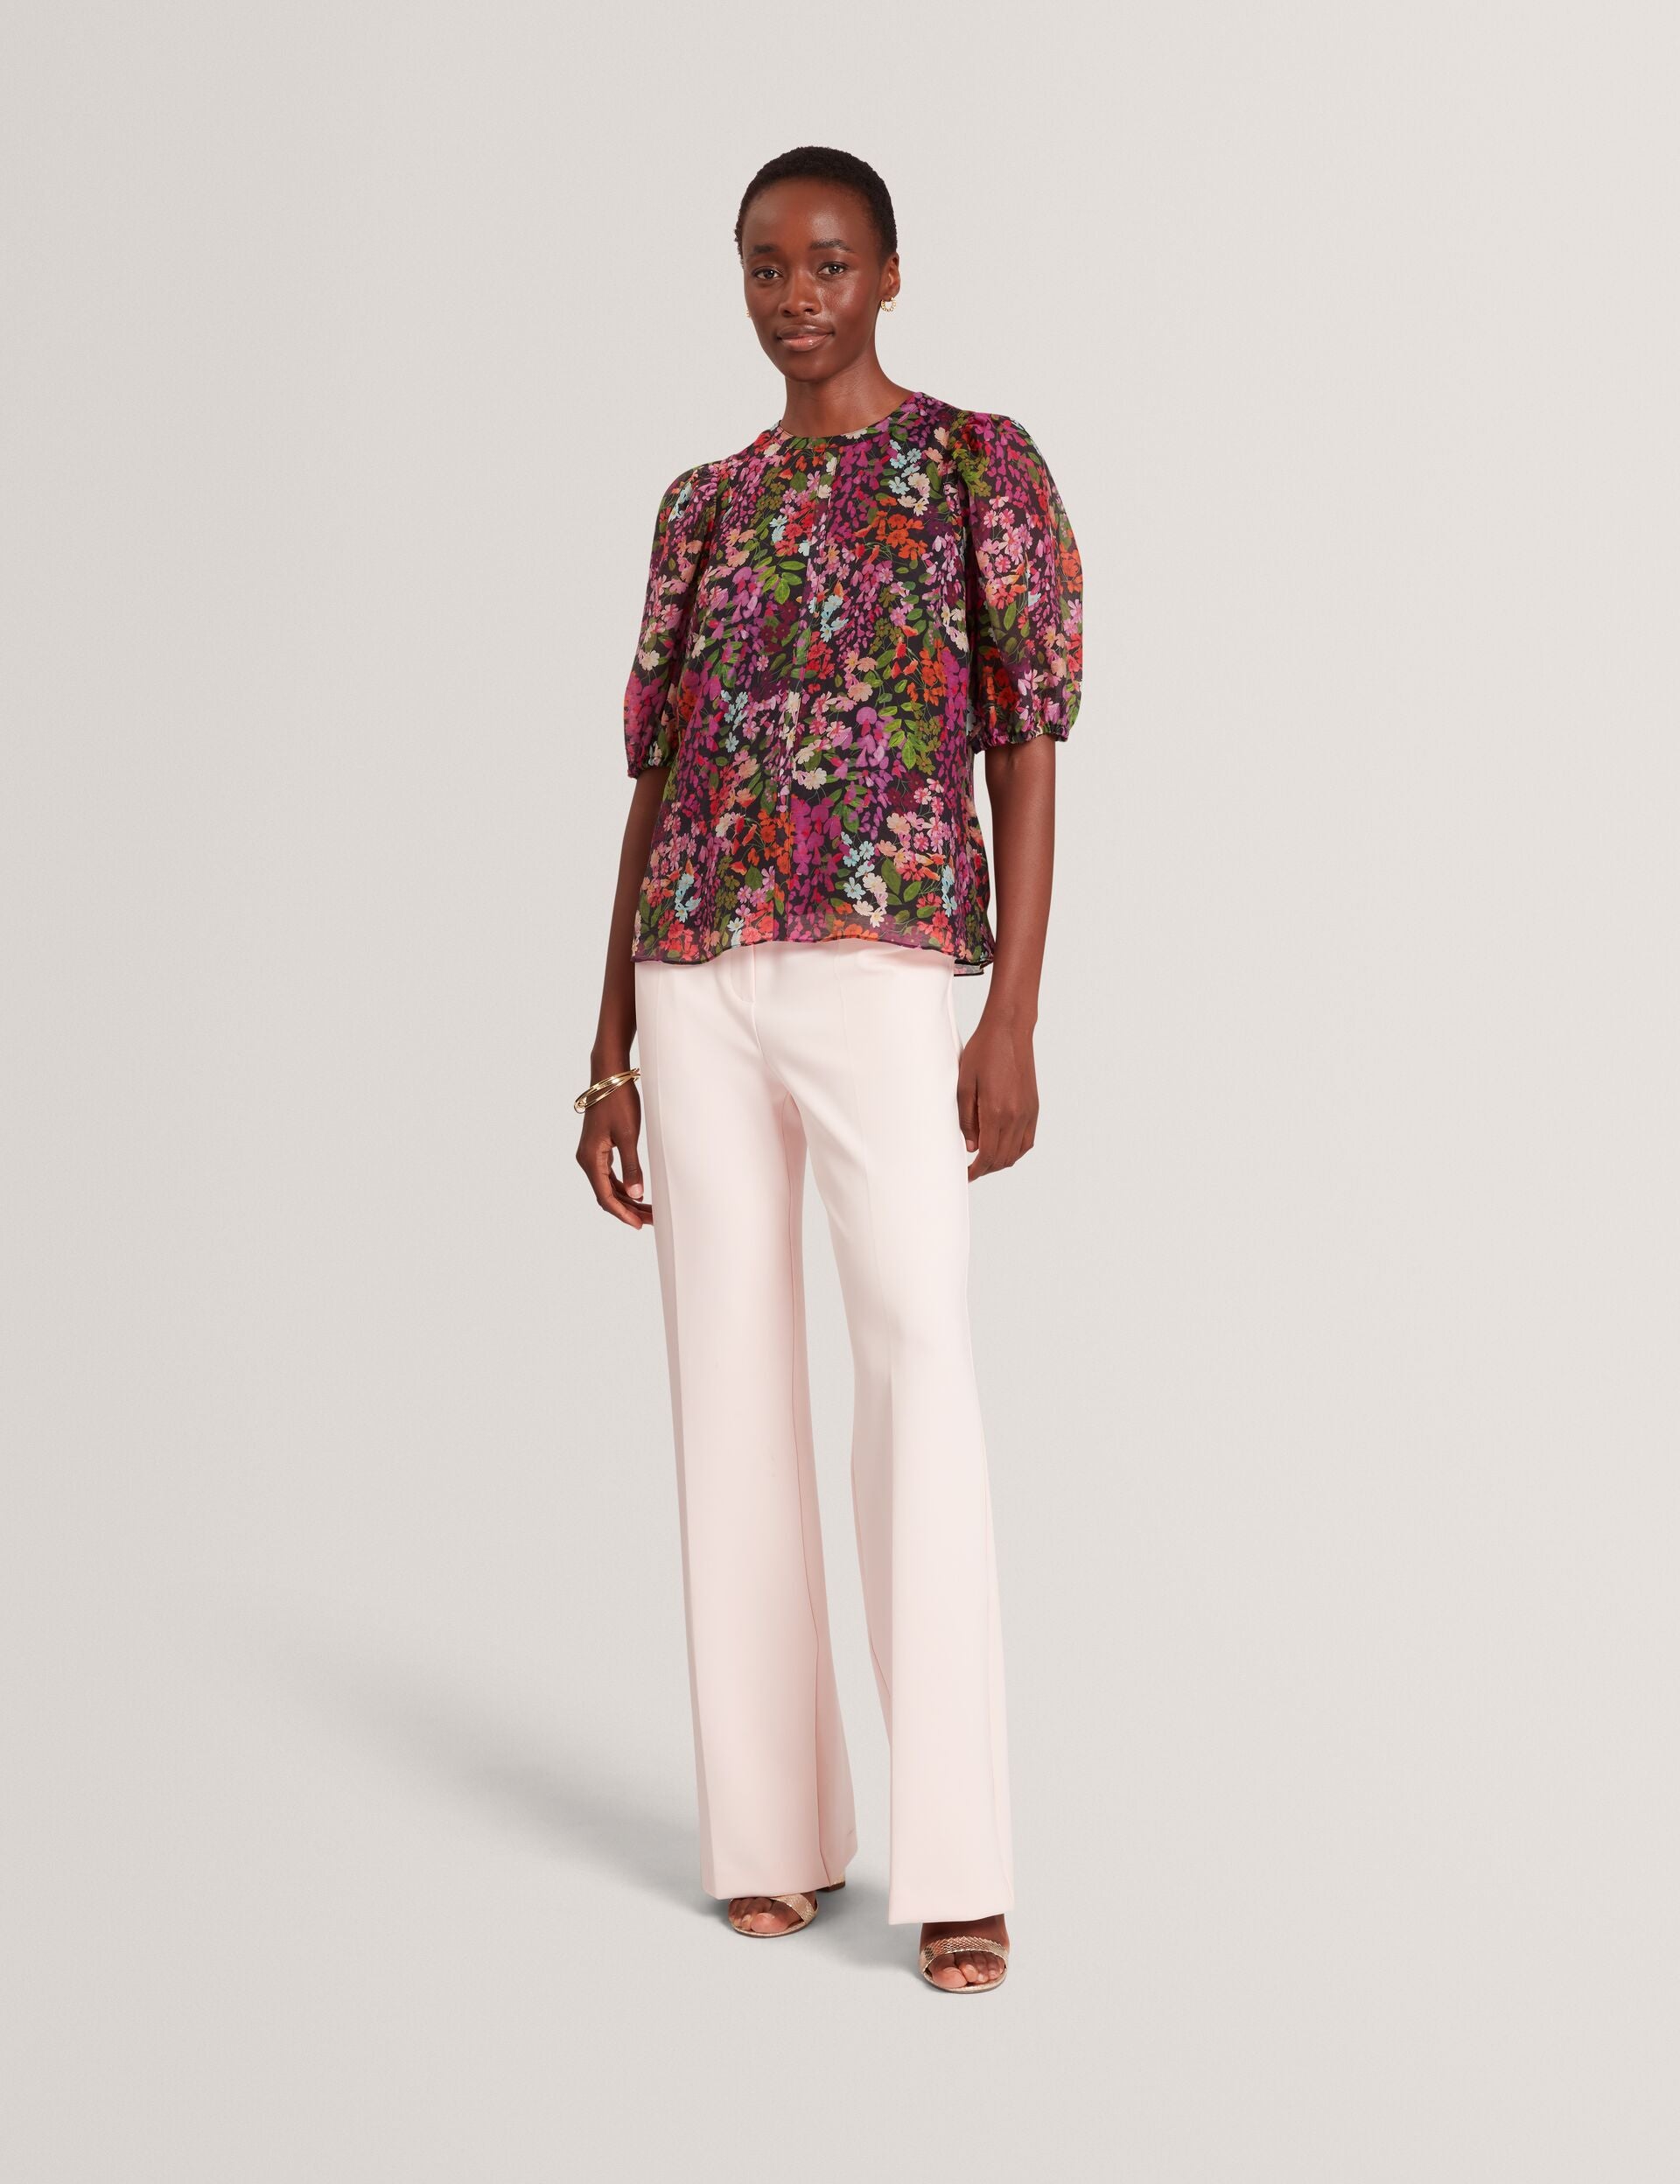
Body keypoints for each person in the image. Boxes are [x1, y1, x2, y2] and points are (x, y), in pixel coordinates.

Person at [576, 144, 1082, 1993]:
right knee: (727, 1387)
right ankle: (771, 1835)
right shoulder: (703, 504)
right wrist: (607, 1050)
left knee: (916, 1366)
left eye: (829, 263)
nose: (795, 297)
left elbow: (1027, 740)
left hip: (882, 969)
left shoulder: (975, 467)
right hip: (695, 974)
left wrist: (1012, 1012)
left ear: (888, 273)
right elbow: (656, 773)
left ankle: (961, 1867)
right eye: (765, 268)